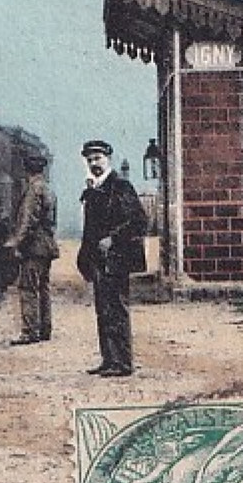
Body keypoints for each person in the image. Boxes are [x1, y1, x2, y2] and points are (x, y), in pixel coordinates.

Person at [76, 139, 147, 376]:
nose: (94, 163)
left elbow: (138, 221)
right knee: (103, 310)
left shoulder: (121, 186)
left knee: (117, 308)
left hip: (117, 258)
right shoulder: (94, 188)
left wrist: (113, 239)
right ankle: (109, 359)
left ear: (108, 159)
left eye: (98, 158)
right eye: (90, 160)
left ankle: (123, 362)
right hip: (99, 260)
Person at [5, 152, 58, 345]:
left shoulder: (33, 191)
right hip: (47, 245)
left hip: (34, 247)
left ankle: (29, 332)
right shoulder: (48, 189)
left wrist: (17, 242)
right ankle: (45, 329)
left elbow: (28, 220)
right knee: (43, 287)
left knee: (28, 287)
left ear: (26, 170)